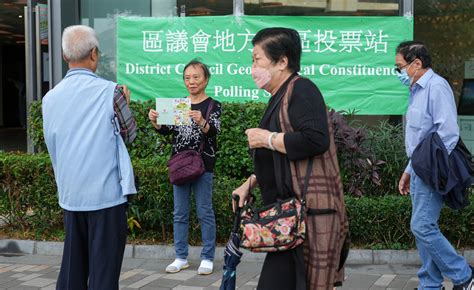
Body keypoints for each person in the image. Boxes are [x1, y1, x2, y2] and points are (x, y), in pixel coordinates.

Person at [232, 27, 349, 290]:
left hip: (305, 217)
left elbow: (315, 139)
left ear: (282, 61)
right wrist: (250, 183)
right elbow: (280, 160)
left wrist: (267, 139)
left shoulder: (301, 89)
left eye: (256, 59)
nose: (252, 67)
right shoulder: (280, 95)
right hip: (285, 217)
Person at [42, 25, 137, 289]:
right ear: (94, 54)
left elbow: (52, 144)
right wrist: (125, 105)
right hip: (106, 197)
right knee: (103, 273)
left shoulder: (49, 99)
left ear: (64, 56)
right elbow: (130, 135)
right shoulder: (112, 92)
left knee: (73, 269)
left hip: (71, 196)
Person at [396, 41, 473, 290]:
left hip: (431, 169)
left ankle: (464, 276)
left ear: (416, 63)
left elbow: (448, 133)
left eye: (400, 67)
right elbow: (420, 139)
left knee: (421, 225)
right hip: (419, 168)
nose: (398, 72)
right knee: (423, 228)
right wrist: (409, 170)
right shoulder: (417, 90)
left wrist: (431, 169)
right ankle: (430, 284)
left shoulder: (436, 87)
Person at [148, 60, 221, 275]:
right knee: (179, 213)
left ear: (206, 79)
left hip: (203, 165)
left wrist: (201, 121)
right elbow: (167, 130)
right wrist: (156, 122)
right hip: (180, 165)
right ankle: (181, 257)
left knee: (204, 211)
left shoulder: (212, 105)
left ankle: (207, 257)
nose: (191, 82)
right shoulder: (180, 104)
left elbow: (214, 132)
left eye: (196, 77)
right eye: (187, 78)